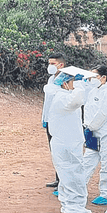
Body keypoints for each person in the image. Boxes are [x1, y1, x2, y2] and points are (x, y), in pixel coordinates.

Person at [46, 70, 97, 213]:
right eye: (74, 82)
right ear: (65, 83)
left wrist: (83, 84)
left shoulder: (64, 95)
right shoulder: (62, 98)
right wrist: (80, 85)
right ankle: (74, 210)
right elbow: (77, 100)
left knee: (70, 177)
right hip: (66, 144)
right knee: (74, 177)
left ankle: (70, 205)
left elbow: (82, 97)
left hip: (68, 143)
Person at [83, 65, 107, 206]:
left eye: (94, 76)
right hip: (94, 133)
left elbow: (103, 114)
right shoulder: (94, 91)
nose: (91, 79)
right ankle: (77, 188)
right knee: (87, 161)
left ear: (103, 77)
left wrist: (91, 127)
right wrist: (88, 127)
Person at [41, 53, 66, 189]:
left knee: (62, 151)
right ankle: (58, 178)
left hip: (60, 121)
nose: (50, 66)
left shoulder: (66, 80)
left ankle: (64, 181)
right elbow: (48, 102)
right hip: (50, 119)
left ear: (61, 64)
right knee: (54, 151)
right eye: (49, 63)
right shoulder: (51, 79)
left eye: (52, 63)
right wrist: (44, 118)